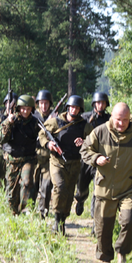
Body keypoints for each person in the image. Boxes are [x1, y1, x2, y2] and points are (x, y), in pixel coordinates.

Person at [80, 102, 132, 263]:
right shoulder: (100, 132)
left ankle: (122, 252)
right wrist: (96, 159)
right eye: (118, 119)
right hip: (105, 187)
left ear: (130, 118)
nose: (121, 123)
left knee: (129, 221)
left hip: (130, 187)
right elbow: (85, 150)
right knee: (102, 225)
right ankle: (105, 258)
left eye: (125, 119)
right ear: (112, 117)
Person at [39, 95, 93, 234]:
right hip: (57, 162)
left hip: (75, 163)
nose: (74, 110)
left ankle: (63, 219)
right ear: (68, 107)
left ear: (80, 109)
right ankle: (57, 219)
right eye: (72, 107)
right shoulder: (56, 122)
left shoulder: (85, 125)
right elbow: (42, 133)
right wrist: (48, 144)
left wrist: (84, 142)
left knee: (69, 192)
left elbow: (94, 141)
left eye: (77, 108)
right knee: (60, 187)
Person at [0, 94, 39, 215]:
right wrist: (9, 123)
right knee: (11, 193)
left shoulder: (35, 123)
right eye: (23, 108)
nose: (25, 111)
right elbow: (0, 138)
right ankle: (14, 214)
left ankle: (25, 209)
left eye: (28, 109)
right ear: (18, 108)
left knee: (27, 182)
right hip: (12, 159)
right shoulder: (11, 120)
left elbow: (43, 136)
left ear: (32, 109)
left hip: (28, 159)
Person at [74, 92, 111, 217]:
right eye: (98, 102)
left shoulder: (109, 120)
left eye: (103, 103)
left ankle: (95, 219)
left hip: (101, 159)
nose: (100, 105)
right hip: (86, 159)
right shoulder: (84, 117)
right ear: (94, 104)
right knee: (81, 187)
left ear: (106, 104)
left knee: (98, 190)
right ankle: (80, 200)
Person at [33, 90, 54, 218]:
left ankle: (43, 213)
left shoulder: (55, 117)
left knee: (46, 187)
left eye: (46, 103)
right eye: (41, 103)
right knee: (32, 187)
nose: (44, 106)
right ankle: (29, 211)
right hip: (34, 157)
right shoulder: (33, 116)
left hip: (48, 158)